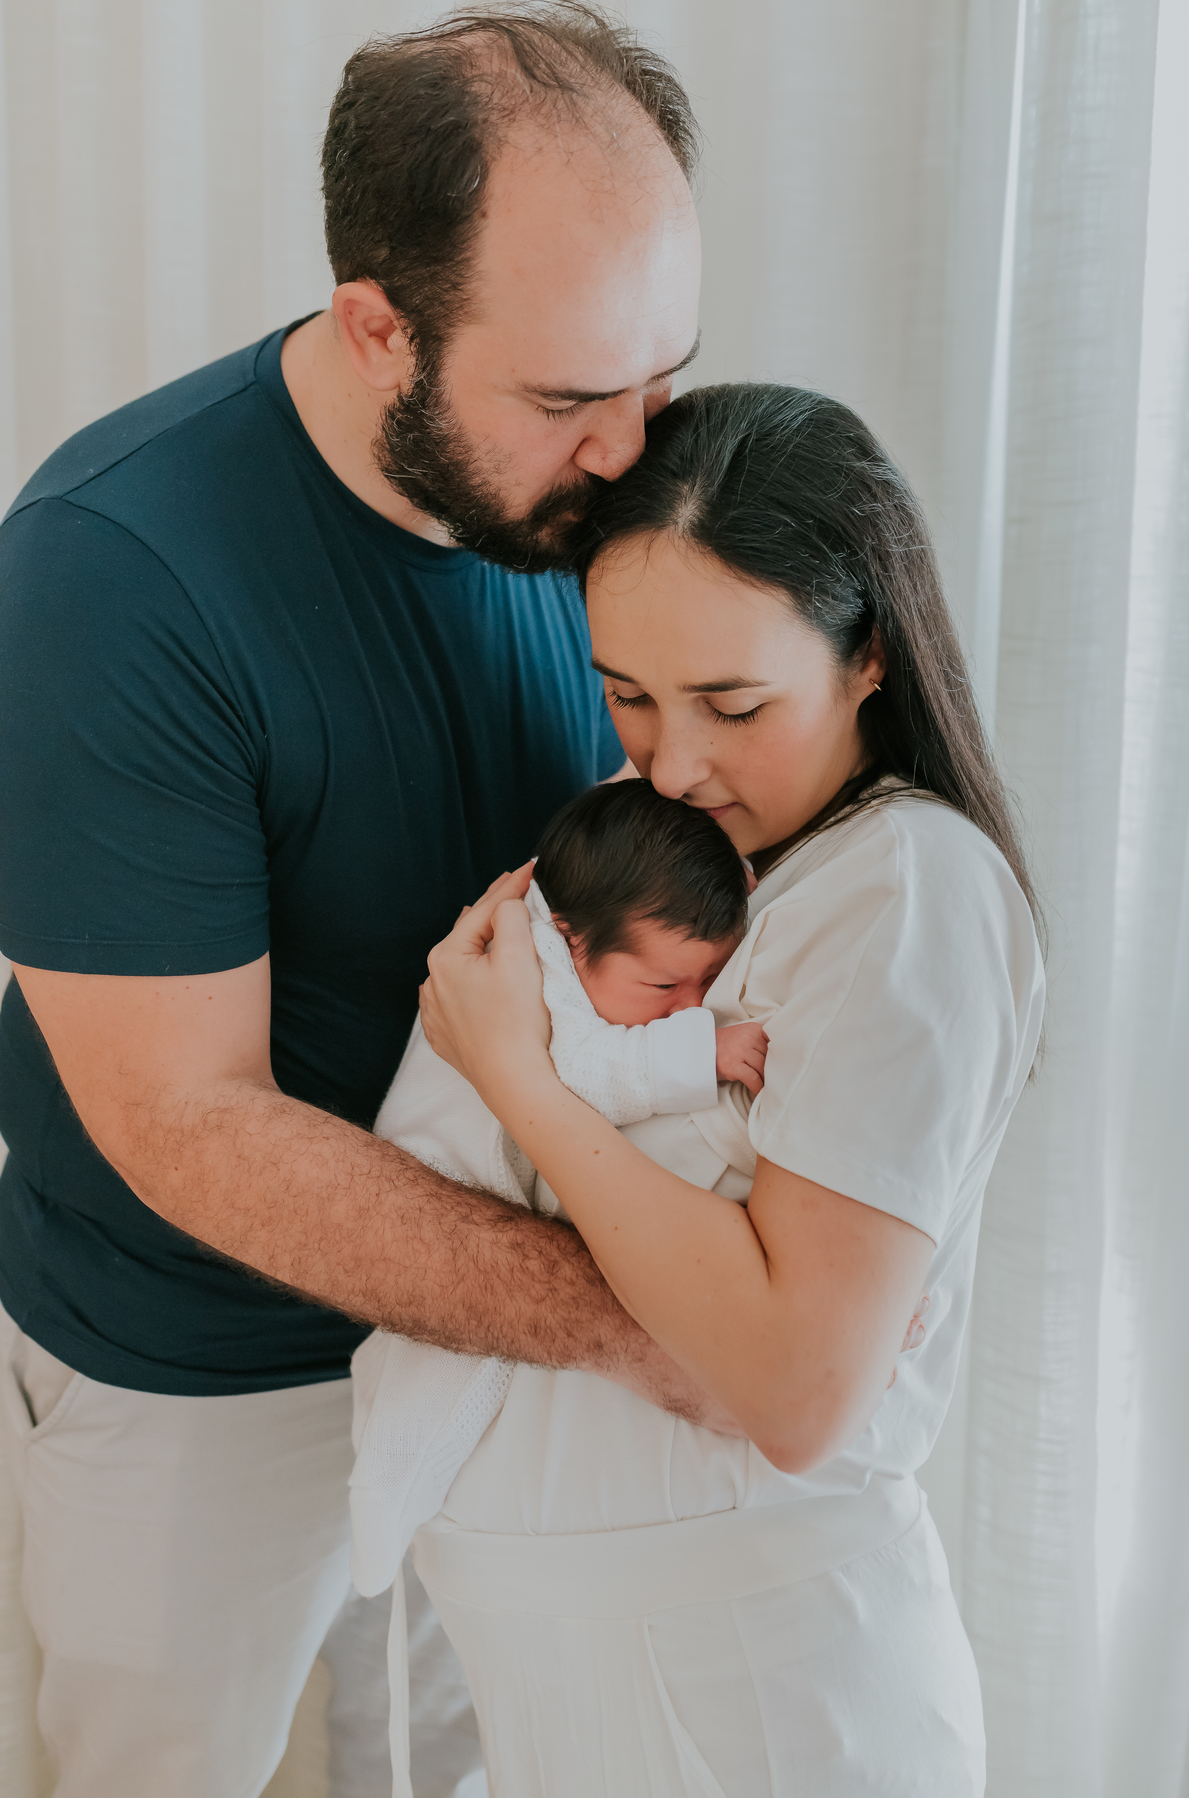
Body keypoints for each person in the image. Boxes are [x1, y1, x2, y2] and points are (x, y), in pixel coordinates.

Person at [0, 9, 718, 1795]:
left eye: (662, 375)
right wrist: (647, 1315)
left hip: (513, 1347)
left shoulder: (609, 496)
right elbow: (184, 1117)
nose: (639, 454)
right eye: (568, 398)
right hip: (201, 1374)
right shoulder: (111, 574)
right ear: (374, 321)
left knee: (464, 1764)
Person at [415, 382, 1047, 1796]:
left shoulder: (904, 889)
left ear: (868, 653)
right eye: (626, 694)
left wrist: (525, 1078)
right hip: (614, 1687)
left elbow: (794, 1379)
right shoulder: (725, 879)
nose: (673, 762)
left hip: (755, 1700)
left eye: (733, 701)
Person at [349, 782, 763, 1614]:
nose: (690, 1006)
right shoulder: (528, 961)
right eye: (663, 990)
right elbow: (561, 1075)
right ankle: (381, 1525)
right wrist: (700, 1054)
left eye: (708, 984)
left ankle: (392, 1530)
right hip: (438, 1202)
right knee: (426, 1390)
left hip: (491, 1197)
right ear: (571, 943)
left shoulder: (604, 920)